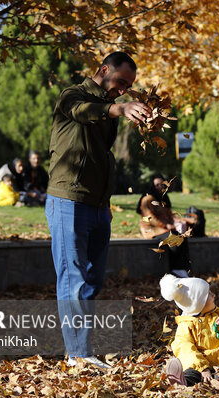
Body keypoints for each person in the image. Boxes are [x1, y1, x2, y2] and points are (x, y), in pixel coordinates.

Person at [46, 51, 151, 369]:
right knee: (73, 278)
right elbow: (85, 111)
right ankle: (78, 354)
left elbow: (101, 156)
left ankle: (80, 349)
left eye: (128, 87)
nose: (122, 90)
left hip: (96, 206)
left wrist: (106, 204)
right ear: (103, 70)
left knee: (92, 280)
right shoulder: (72, 96)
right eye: (120, 82)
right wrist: (119, 108)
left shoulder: (108, 108)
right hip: (68, 201)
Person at [159, 274, 219, 389]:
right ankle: (182, 381)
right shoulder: (186, 325)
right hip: (198, 364)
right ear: (198, 304)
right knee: (192, 374)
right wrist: (203, 368)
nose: (214, 295)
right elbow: (185, 348)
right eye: (209, 294)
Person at [136, 174, 194, 278]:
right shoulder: (147, 199)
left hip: (165, 229)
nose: (160, 187)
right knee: (175, 239)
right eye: (157, 185)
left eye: (162, 185)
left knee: (182, 238)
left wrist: (178, 221)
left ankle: (182, 269)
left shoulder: (164, 198)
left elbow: (169, 215)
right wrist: (165, 225)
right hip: (152, 230)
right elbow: (150, 218)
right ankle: (175, 270)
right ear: (152, 186)